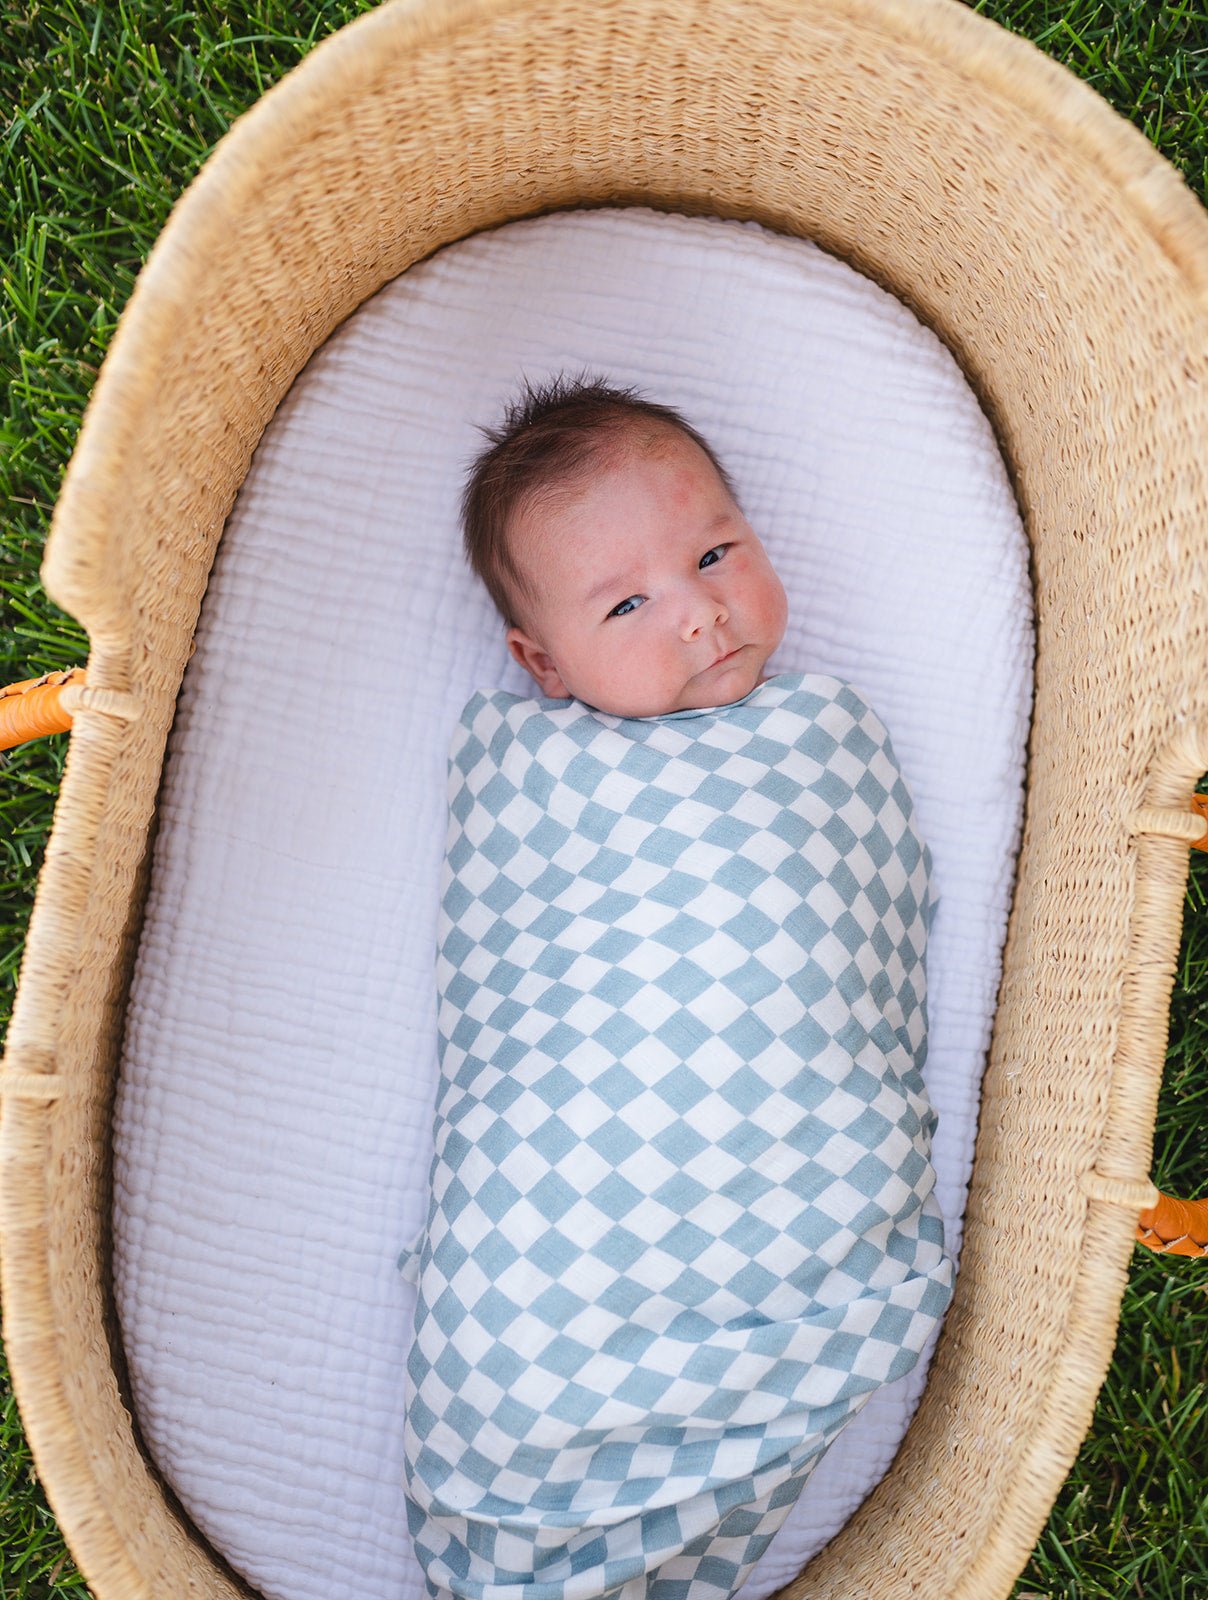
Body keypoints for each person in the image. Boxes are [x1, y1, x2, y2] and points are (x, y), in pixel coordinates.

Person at [401, 375, 954, 1600]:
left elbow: (857, 924)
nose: (700, 611)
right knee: (514, 1368)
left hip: (790, 1198)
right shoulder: (529, 778)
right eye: (629, 601)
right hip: (561, 1256)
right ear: (542, 662)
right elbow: (515, 1004)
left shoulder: (822, 734)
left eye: (715, 551)